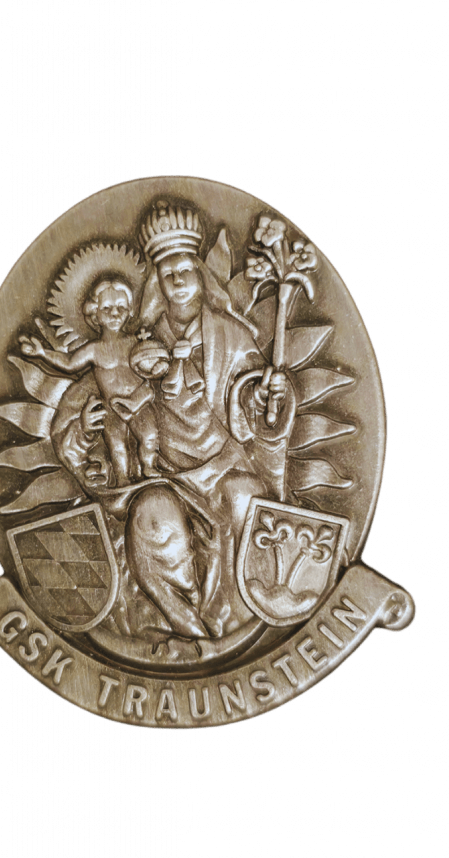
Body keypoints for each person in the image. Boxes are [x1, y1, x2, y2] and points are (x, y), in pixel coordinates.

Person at [51, 202, 294, 643]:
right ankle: (187, 628)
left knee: (246, 500)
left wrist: (266, 400)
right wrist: (86, 426)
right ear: (156, 285)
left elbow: (252, 400)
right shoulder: (133, 344)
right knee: (153, 519)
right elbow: (84, 406)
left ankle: (239, 623)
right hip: (163, 476)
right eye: (167, 274)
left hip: (225, 465)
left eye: (185, 270)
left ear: (201, 275)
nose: (177, 280)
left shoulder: (231, 336)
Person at [19, 277, 161, 487]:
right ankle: (122, 480)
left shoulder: (134, 342)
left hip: (139, 402)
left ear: (130, 311)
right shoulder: (93, 350)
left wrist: (158, 364)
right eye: (107, 308)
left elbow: (153, 361)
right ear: (95, 314)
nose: (115, 314)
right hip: (111, 407)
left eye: (121, 308)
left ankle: (149, 466)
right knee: (116, 445)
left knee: (150, 435)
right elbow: (69, 363)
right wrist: (42, 353)